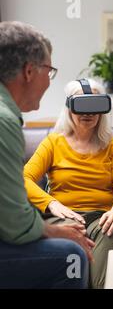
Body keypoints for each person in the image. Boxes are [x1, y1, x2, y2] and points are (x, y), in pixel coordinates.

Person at [0, 21, 94, 288]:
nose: (49, 82)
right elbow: (15, 225)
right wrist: (57, 229)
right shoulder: (4, 120)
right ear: (29, 71)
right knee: (70, 256)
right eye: (49, 71)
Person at [23, 79, 113, 288]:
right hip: (64, 216)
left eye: (94, 105)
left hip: (103, 218)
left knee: (112, 231)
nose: (88, 113)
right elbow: (24, 178)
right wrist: (51, 203)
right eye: (81, 105)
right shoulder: (53, 142)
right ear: (69, 107)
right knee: (72, 245)